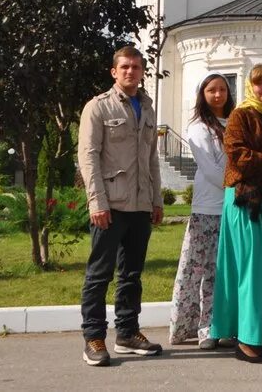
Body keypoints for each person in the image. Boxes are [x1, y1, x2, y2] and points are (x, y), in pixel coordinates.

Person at [78, 46, 165, 366]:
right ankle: (93, 337)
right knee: (99, 274)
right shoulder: (97, 107)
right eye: (125, 67)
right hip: (110, 204)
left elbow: (151, 158)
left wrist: (156, 199)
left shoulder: (147, 108)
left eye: (136, 67)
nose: (131, 72)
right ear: (114, 72)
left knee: (132, 274)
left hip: (140, 205)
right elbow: (88, 157)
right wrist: (97, 202)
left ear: (142, 72)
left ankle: (127, 332)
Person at [210, 63, 262, 363]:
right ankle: (246, 340)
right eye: (259, 83)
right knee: (251, 269)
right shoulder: (240, 115)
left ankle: (259, 335)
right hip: (246, 200)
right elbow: (236, 154)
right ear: (250, 86)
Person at [170, 74, 231, 349]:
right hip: (208, 208)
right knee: (200, 270)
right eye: (212, 90)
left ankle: (220, 324)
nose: (218, 95)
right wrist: (238, 184)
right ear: (202, 94)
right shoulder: (198, 128)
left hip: (232, 208)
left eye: (222, 89)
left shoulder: (234, 123)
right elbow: (210, 168)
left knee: (223, 272)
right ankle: (201, 328)